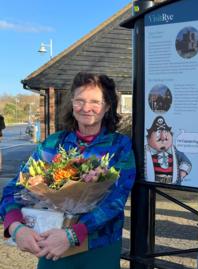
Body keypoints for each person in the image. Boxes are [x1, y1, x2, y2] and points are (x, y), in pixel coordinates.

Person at [0, 72, 136, 269]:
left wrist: (72, 234)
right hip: (51, 244)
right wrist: (15, 227)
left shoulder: (119, 145)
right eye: (80, 100)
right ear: (72, 103)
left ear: (107, 106)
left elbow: (115, 201)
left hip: (98, 247)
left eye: (95, 102)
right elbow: (15, 188)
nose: (86, 108)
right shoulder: (53, 143)